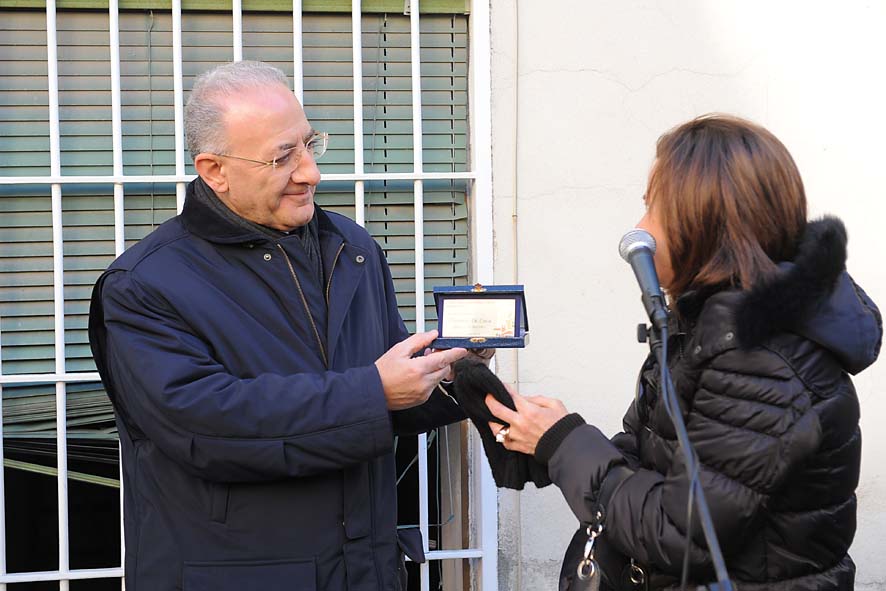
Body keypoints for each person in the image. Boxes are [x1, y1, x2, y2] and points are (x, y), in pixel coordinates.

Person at [88, 60, 475, 591]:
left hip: (365, 572)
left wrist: (446, 374)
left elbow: (385, 398)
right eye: (282, 156)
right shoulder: (144, 284)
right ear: (213, 170)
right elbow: (206, 427)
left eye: (309, 143)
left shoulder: (352, 249)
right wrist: (374, 392)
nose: (310, 171)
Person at [486, 114, 882, 590]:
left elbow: (680, 533)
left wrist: (565, 443)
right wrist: (543, 440)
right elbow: (651, 458)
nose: (639, 229)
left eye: (654, 209)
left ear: (707, 222)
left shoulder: (761, 360)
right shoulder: (709, 328)